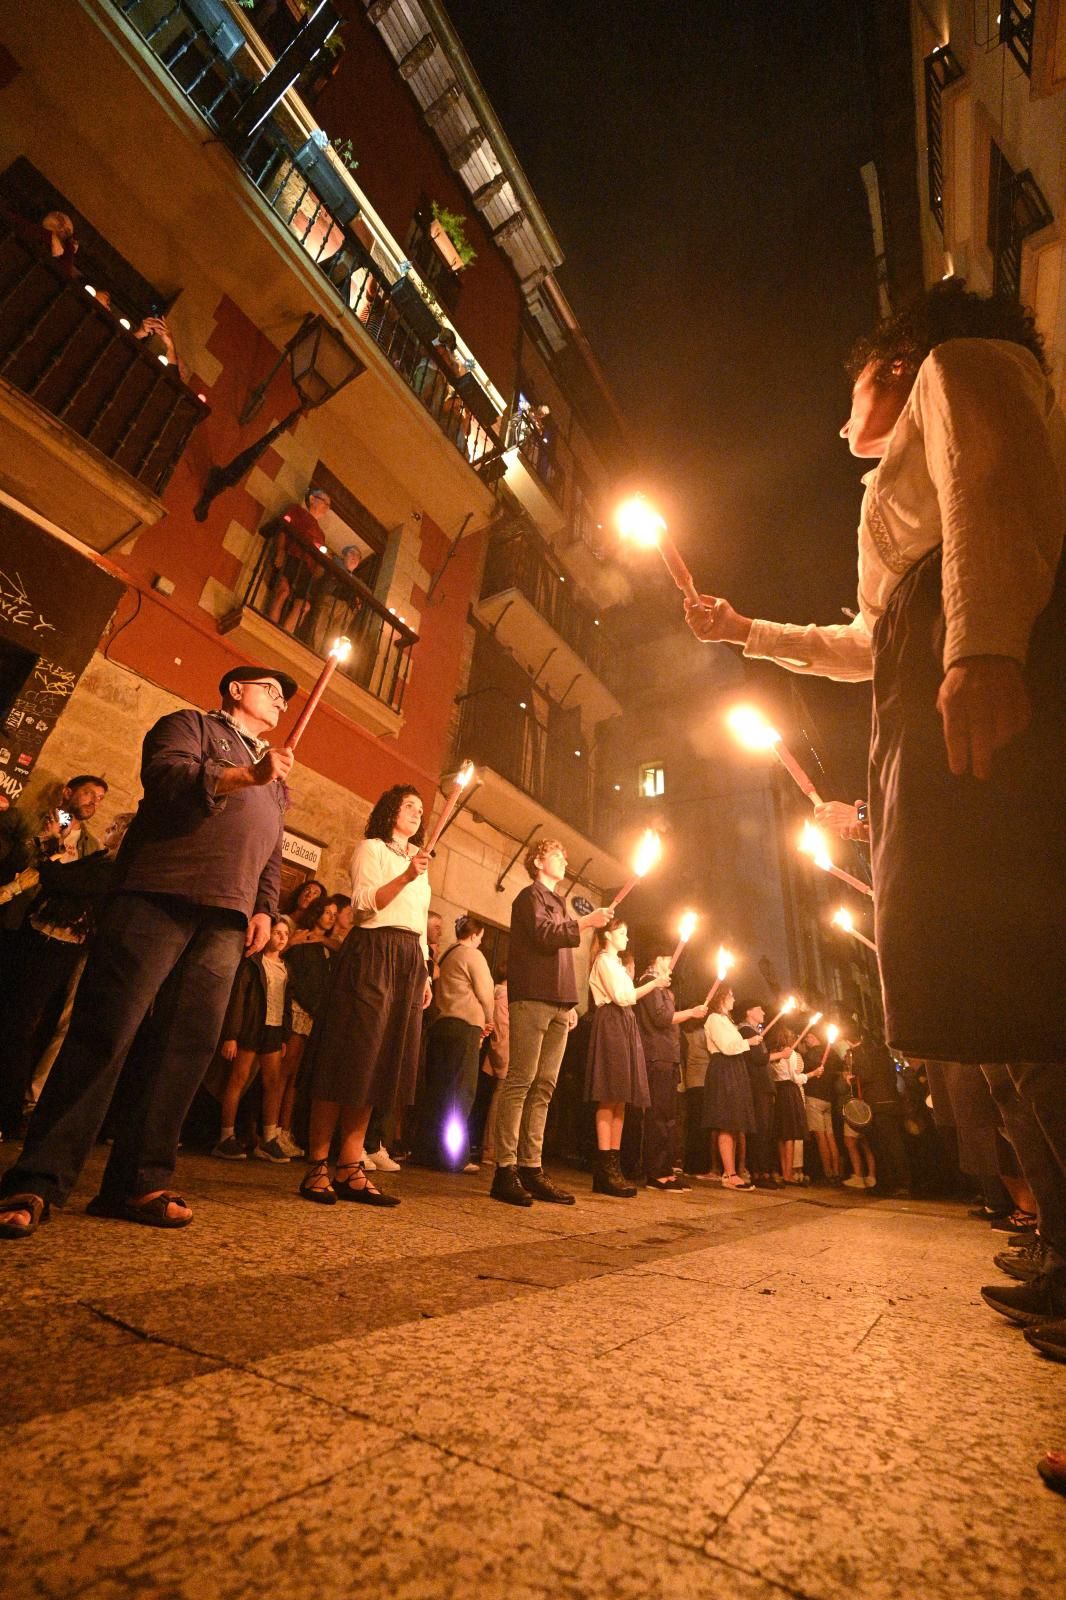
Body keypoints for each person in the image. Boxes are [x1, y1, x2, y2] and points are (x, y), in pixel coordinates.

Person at [684, 279, 1066, 1331]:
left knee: (1022, 976)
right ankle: (1057, 1242)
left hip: (970, 681)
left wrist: (983, 649)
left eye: (852, 386)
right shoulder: (894, 487)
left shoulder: (962, 366)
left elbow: (991, 495)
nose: (840, 415)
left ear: (895, 365)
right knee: (989, 989)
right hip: (917, 697)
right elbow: (867, 637)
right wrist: (746, 632)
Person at [0, 666, 295, 1239]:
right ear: (235, 690)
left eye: (284, 697)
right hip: (159, 893)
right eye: (270, 689)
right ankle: (38, 1177)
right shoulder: (189, 726)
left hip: (228, 917)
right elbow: (166, 778)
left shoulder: (275, 773)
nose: (281, 700)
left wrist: (264, 906)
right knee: (105, 1030)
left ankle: (139, 1180)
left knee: (185, 1047)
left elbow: (272, 847)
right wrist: (247, 775)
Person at [300, 785, 432, 1208]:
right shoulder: (371, 849)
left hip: (408, 959)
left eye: (421, 809)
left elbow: (419, 920)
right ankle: (317, 1164)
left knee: (379, 1062)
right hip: (373, 951)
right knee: (348, 1055)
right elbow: (361, 906)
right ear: (390, 810)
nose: (416, 812)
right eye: (409, 805)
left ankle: (350, 1166)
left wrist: (425, 971)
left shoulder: (420, 861)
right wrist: (405, 876)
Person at [490, 839, 609, 1207]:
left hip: (558, 1002)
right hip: (531, 997)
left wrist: (569, 1002)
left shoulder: (558, 902)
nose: (564, 860)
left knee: (544, 1086)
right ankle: (504, 1168)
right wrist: (586, 921)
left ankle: (531, 1166)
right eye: (557, 854)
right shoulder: (529, 897)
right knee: (521, 1080)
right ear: (539, 861)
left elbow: (563, 958)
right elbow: (544, 937)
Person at [0, 775, 109, 1137]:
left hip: (49, 939)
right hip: (13, 921)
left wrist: (55, 850)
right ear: (67, 792)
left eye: (99, 797)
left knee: (21, 1021)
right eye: (88, 793)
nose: (94, 801)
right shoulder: (31, 820)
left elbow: (69, 884)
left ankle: (10, 1111)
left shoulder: (91, 846)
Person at [584, 921, 665, 1198]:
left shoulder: (617, 964)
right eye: (621, 933)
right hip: (612, 1021)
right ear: (607, 935)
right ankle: (604, 1167)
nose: (626, 937)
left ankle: (614, 1165)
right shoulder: (603, 961)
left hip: (624, 1022)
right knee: (609, 1094)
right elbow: (621, 997)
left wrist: (655, 984)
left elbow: (628, 998)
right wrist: (653, 984)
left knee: (620, 1098)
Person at [212, 916, 292, 1160]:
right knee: (238, 1079)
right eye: (277, 932)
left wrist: (284, 1036)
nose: (282, 937)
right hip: (252, 1027)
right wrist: (231, 1035)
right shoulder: (253, 963)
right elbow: (238, 1000)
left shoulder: (286, 967)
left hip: (273, 1029)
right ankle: (225, 1136)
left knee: (273, 1083)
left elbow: (286, 1002)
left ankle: (268, 1138)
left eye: (286, 934)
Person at [419, 913, 494, 1170]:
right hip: (464, 1027)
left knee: (438, 1092)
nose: (481, 941)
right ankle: (455, 1156)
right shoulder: (473, 955)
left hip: (442, 1025)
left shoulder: (448, 955)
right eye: (481, 937)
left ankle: (428, 1151)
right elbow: (485, 992)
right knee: (461, 1093)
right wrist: (490, 1020)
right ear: (474, 935)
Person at [635, 955, 705, 1191]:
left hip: (668, 1057)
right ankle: (655, 1172)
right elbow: (662, 1018)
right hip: (657, 1056)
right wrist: (691, 1013)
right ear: (656, 960)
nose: (671, 963)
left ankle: (665, 1170)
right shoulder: (649, 982)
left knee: (668, 1117)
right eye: (667, 957)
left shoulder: (661, 988)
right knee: (658, 1116)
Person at [702, 987, 757, 1191]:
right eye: (731, 995)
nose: (734, 999)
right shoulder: (714, 1019)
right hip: (724, 1068)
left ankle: (729, 1171)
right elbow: (726, 1046)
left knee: (734, 1123)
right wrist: (748, 1042)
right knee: (726, 1121)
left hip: (734, 1067)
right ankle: (730, 1174)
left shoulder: (728, 1021)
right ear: (721, 998)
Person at [267, 487, 332, 636]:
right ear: (312, 499)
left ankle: (283, 635)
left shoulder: (321, 535)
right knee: (283, 590)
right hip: (291, 558)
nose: (327, 507)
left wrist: (323, 562)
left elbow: (317, 561)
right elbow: (284, 529)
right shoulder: (296, 511)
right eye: (325, 502)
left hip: (306, 570)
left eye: (329, 505)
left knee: (304, 605)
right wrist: (280, 551)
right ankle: (270, 628)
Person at [735, 998, 779, 1188]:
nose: (763, 1012)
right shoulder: (746, 1031)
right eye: (759, 1009)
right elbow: (757, 1058)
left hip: (763, 1085)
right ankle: (758, 1172)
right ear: (749, 1011)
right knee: (760, 1129)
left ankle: (765, 1170)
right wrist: (780, 1055)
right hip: (757, 1086)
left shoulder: (755, 1032)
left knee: (766, 1130)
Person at [769, 1027, 819, 1186]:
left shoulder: (773, 1054)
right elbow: (795, 1078)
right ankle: (788, 1173)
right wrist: (812, 1074)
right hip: (790, 1091)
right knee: (789, 1134)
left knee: (781, 1133)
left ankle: (784, 1171)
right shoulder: (789, 1054)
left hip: (778, 1091)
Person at [802, 1028, 843, 1185]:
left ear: (816, 1038)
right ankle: (836, 1171)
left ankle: (828, 1172)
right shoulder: (832, 1053)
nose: (806, 1039)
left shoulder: (811, 1054)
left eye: (809, 1036)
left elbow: (804, 1070)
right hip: (828, 1099)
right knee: (830, 1136)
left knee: (821, 1137)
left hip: (815, 1097)